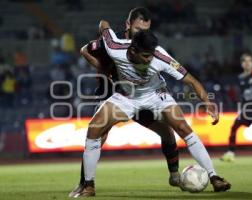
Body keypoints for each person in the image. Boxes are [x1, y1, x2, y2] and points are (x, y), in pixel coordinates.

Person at [75, 20, 231, 197]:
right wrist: (103, 67)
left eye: (151, 55)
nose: (150, 59)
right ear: (133, 50)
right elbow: (104, 24)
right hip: (127, 97)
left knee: (183, 128)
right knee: (94, 128)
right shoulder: (114, 47)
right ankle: (88, 185)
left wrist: (207, 102)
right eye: (146, 56)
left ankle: (214, 177)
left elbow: (191, 81)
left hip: (157, 95)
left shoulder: (161, 57)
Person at [69, 7, 181, 198]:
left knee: (167, 131)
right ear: (128, 25)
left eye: (146, 29)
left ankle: (175, 176)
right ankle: (85, 184)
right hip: (110, 93)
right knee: (98, 134)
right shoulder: (112, 42)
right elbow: (84, 50)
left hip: (138, 96)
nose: (142, 33)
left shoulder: (145, 44)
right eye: (138, 28)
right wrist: (104, 68)